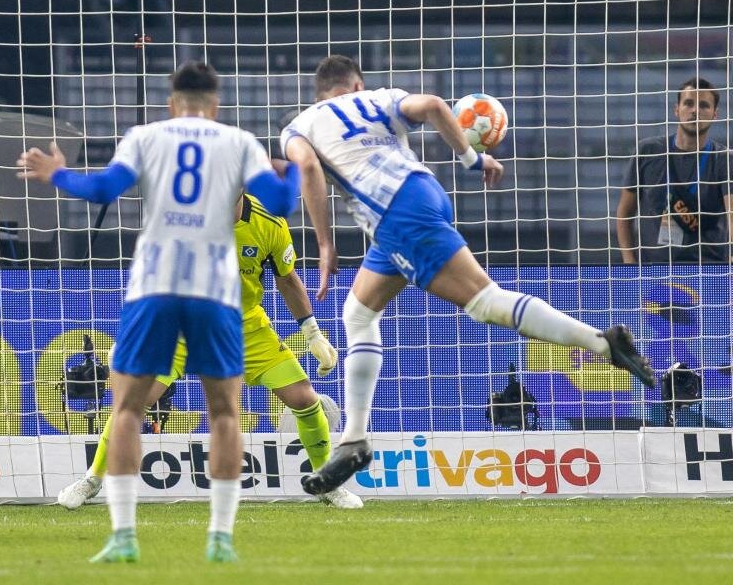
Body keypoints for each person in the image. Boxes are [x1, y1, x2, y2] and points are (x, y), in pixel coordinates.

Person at [280, 55, 655, 496]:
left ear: (319, 92)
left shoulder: (300, 127)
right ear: (355, 84)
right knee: (359, 312)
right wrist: (473, 159)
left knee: (484, 302)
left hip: (396, 216)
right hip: (423, 193)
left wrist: (324, 244)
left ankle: (603, 342)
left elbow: (306, 168)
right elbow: (437, 105)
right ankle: (355, 440)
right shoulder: (379, 98)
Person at [17, 61, 299, 564]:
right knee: (225, 413)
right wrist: (298, 165)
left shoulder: (145, 136)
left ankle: (123, 535)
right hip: (215, 290)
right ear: (215, 105)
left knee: (127, 409)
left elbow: (102, 190)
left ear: (172, 103)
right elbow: (280, 199)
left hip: (155, 284)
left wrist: (55, 172)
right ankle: (221, 538)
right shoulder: (238, 142)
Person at [57, 193, 362, 511]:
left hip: (244, 328)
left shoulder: (270, 223)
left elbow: (287, 279)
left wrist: (312, 333)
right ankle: (92, 479)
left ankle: (328, 483)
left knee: (304, 399)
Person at [616, 77, 732, 264]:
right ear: (676, 109)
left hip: (709, 272)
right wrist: (629, 263)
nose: (695, 111)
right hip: (653, 272)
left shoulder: (724, 159)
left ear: (715, 114)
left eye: (704, 105)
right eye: (688, 103)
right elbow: (624, 212)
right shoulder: (648, 151)